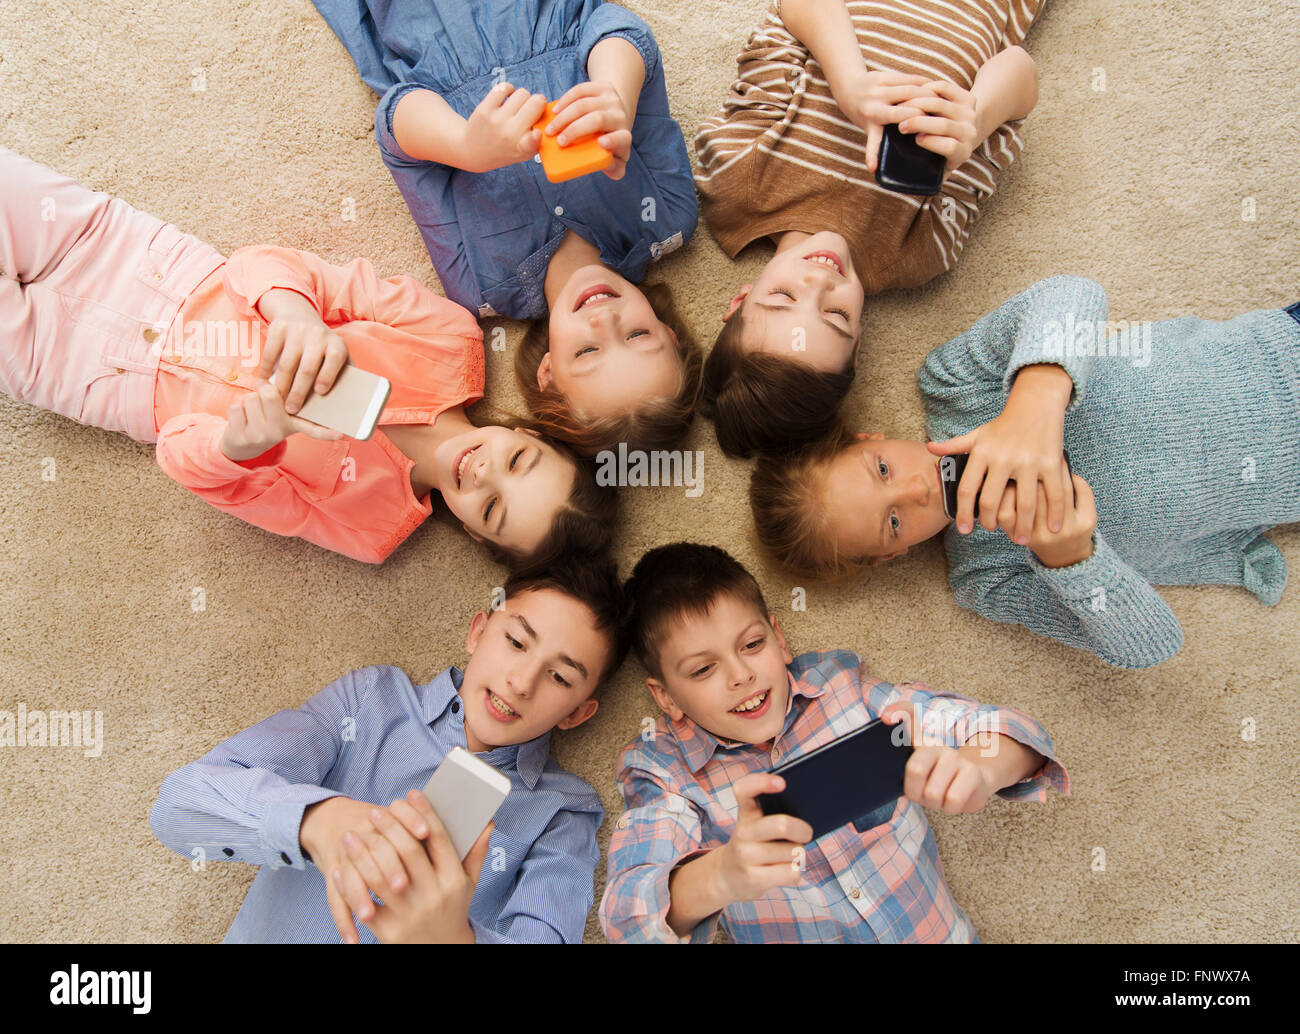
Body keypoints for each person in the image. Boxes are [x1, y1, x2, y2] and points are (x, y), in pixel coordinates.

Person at [0, 147, 612, 567]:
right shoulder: (451, 338)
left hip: (98, 378)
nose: (485, 474)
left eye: (494, 509)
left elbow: (183, 460)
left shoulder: (369, 528)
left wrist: (238, 449)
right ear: (529, 430)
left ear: (479, 537)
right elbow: (262, 263)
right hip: (138, 259)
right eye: (520, 461)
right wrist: (296, 313)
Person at [750, 275, 1300, 668]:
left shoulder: (952, 384)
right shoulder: (986, 578)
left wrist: (1033, 405)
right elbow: (1150, 645)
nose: (916, 490)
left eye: (884, 468)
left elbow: (1075, 293)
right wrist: (1070, 557)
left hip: (1277, 353)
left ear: (870, 437)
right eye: (892, 523)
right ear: (893, 555)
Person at [599, 542, 1068, 942]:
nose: (741, 675)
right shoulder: (663, 770)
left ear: (780, 640)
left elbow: (1013, 732)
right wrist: (721, 874)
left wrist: (980, 769)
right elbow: (627, 919)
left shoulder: (846, 691)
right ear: (666, 698)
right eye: (703, 670)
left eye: (752, 645)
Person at [150, 559, 630, 943]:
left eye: (560, 677)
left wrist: (450, 942)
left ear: (576, 713)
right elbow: (178, 805)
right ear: (478, 631)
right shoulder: (371, 700)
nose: (522, 683)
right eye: (516, 641)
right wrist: (317, 821)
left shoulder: (562, 812)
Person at [310, 0, 703, 455]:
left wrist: (463, 147)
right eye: (637, 336)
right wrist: (615, 94)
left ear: (549, 373)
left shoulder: (478, 287)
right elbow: (617, 25)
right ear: (668, 333)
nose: (605, 320)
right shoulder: (668, 215)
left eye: (588, 352)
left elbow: (395, 123)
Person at [695, 0, 1042, 457]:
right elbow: (1021, 71)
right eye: (836, 316)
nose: (820, 281)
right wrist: (975, 121)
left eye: (783, 298)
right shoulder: (919, 251)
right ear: (858, 344)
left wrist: (850, 83)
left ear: (739, 299)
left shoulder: (737, 184)